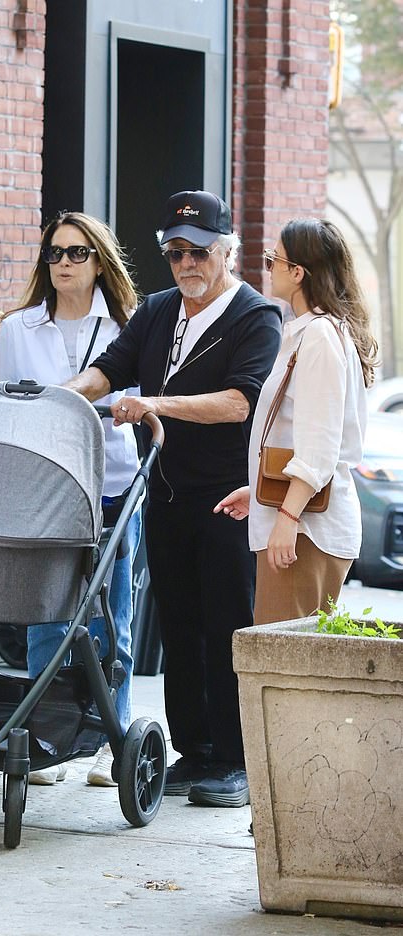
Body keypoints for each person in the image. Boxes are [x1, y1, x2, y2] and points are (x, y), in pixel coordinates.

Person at [64, 190, 283, 807]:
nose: (186, 263)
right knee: (180, 627)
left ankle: (236, 760)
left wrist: (155, 404)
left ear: (227, 251)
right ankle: (195, 749)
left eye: (199, 251)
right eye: (174, 252)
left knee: (226, 624)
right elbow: (110, 367)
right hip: (165, 493)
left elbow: (241, 403)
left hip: (227, 499)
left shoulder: (255, 317)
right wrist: (61, 397)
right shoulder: (159, 310)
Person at [0, 211, 141, 788]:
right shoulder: (18, 329)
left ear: (99, 261)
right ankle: (46, 735)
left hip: (111, 484)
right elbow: (5, 409)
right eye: (54, 253)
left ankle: (113, 736)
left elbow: (138, 404)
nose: (63, 264)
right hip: (44, 487)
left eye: (77, 253)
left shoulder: (127, 328)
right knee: (46, 612)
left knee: (112, 617)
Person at [215, 218, 378, 625]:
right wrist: (259, 490)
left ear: (298, 273)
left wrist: (287, 519)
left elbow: (320, 445)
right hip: (303, 523)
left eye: (274, 260)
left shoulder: (320, 335)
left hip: (307, 530)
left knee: (281, 671)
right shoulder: (313, 332)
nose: (268, 266)